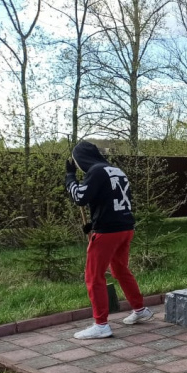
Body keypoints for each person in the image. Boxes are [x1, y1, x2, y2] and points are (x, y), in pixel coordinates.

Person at [65, 141, 153, 339]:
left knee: (93, 276)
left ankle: (101, 325)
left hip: (108, 232)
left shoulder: (96, 171)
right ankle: (140, 309)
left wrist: (70, 178)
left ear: (81, 159)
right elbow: (109, 198)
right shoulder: (116, 170)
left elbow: (80, 197)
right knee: (120, 270)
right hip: (125, 227)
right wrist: (93, 223)